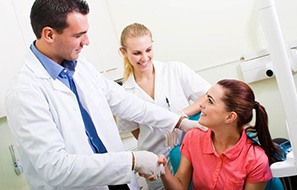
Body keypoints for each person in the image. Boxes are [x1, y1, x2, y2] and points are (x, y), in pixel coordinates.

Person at [5, 1, 205, 190]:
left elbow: (128, 103)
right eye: (78, 35)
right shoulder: (24, 92)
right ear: (49, 34)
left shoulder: (81, 67)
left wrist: (179, 121)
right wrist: (133, 160)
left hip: (119, 182)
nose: (87, 41)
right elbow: (55, 167)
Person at [116, 23, 211, 190]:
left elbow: (208, 96)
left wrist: (179, 118)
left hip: (190, 154)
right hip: (155, 163)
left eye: (148, 50)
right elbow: (136, 131)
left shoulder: (175, 70)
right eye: (137, 53)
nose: (144, 57)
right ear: (123, 53)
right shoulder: (124, 93)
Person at [158, 79, 282, 190]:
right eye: (206, 98)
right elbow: (180, 187)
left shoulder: (256, 159)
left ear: (229, 117)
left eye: (210, 101)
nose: (201, 104)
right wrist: (164, 172)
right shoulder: (193, 137)